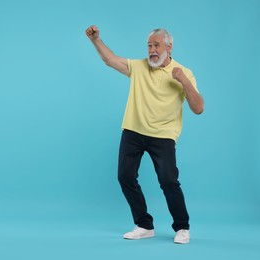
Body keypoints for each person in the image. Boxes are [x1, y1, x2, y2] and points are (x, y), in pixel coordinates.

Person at [85, 25, 204, 244]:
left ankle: (182, 227)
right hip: (133, 130)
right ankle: (144, 224)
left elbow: (198, 108)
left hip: (163, 135)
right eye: (149, 45)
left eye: (156, 45)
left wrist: (184, 82)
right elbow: (110, 60)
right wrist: (96, 40)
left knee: (168, 180)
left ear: (169, 46)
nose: (152, 50)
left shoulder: (183, 72)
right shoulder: (139, 67)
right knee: (125, 177)